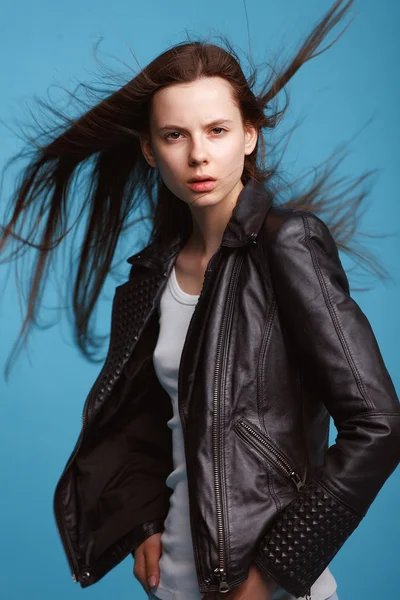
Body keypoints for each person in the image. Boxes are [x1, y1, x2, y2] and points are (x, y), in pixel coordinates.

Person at [1, 1, 399, 599]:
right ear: (149, 149)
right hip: (179, 583)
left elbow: (380, 424)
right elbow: (144, 424)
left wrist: (271, 575)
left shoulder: (288, 246)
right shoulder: (150, 277)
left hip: (270, 588)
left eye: (216, 130)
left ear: (250, 135)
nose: (198, 154)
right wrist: (140, 522)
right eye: (174, 135)